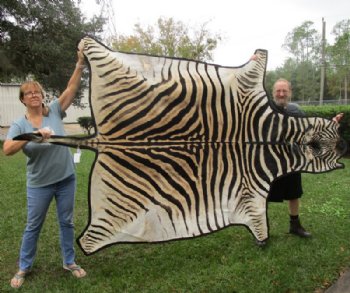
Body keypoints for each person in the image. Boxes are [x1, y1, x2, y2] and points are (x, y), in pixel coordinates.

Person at [3, 46, 87, 289]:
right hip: (39, 184)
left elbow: (71, 89)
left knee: (67, 221)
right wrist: (33, 135)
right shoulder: (20, 124)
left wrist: (79, 63)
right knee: (33, 225)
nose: (34, 95)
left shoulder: (55, 112)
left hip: (66, 179)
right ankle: (24, 266)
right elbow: (7, 149)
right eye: (28, 93)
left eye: (37, 91)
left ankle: (69, 261)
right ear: (22, 99)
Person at [267, 78, 344, 242]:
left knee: (294, 194)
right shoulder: (266, 110)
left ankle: (295, 226)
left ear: (289, 92)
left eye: (284, 91)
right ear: (273, 92)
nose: (281, 94)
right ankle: (261, 231)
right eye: (278, 91)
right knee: (263, 194)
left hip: (293, 159)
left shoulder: (297, 111)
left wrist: (331, 124)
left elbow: (311, 133)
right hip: (270, 161)